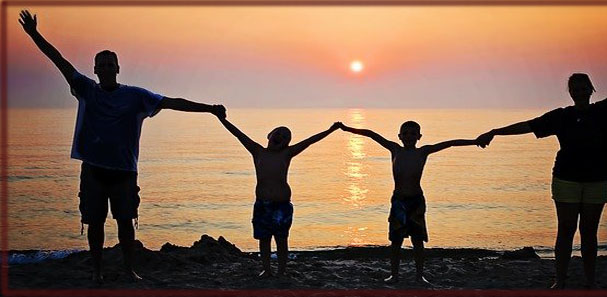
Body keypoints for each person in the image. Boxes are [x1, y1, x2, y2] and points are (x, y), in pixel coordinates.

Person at [18, 9, 227, 283]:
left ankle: (129, 270)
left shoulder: (136, 96)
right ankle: (97, 271)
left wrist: (210, 109)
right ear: (95, 69)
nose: (105, 68)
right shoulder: (86, 89)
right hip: (93, 170)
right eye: (101, 64)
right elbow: (59, 61)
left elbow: (172, 102)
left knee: (126, 223)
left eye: (110, 64)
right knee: (94, 223)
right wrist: (34, 34)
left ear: (118, 68)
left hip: (124, 172)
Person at [476, 56, 607, 289]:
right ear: (570, 92)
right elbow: (529, 126)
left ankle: (590, 282)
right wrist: (494, 132)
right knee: (565, 230)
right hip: (566, 178)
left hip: (598, 178)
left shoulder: (605, 110)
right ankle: (560, 281)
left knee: (589, 233)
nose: (580, 92)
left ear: (591, 90)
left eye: (584, 88)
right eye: (576, 89)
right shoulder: (561, 116)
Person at [338, 121, 486, 285]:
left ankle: (419, 276)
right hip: (399, 201)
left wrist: (474, 141)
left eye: (413, 134)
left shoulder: (423, 152)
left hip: (416, 201)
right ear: (399, 136)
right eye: (406, 133)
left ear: (419, 137)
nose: (409, 136)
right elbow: (372, 134)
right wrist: (346, 129)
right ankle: (394, 275)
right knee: (396, 241)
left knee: (417, 240)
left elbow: (450, 143)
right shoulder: (395, 149)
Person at [215, 113, 341, 277]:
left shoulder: (287, 154)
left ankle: (281, 271)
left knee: (281, 240)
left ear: (287, 143)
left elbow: (310, 141)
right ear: (270, 135)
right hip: (263, 205)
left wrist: (330, 130)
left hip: (282, 206)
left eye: (286, 136)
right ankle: (267, 270)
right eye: (279, 133)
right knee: (264, 239)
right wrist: (221, 118)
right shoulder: (257, 151)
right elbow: (238, 134)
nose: (281, 136)